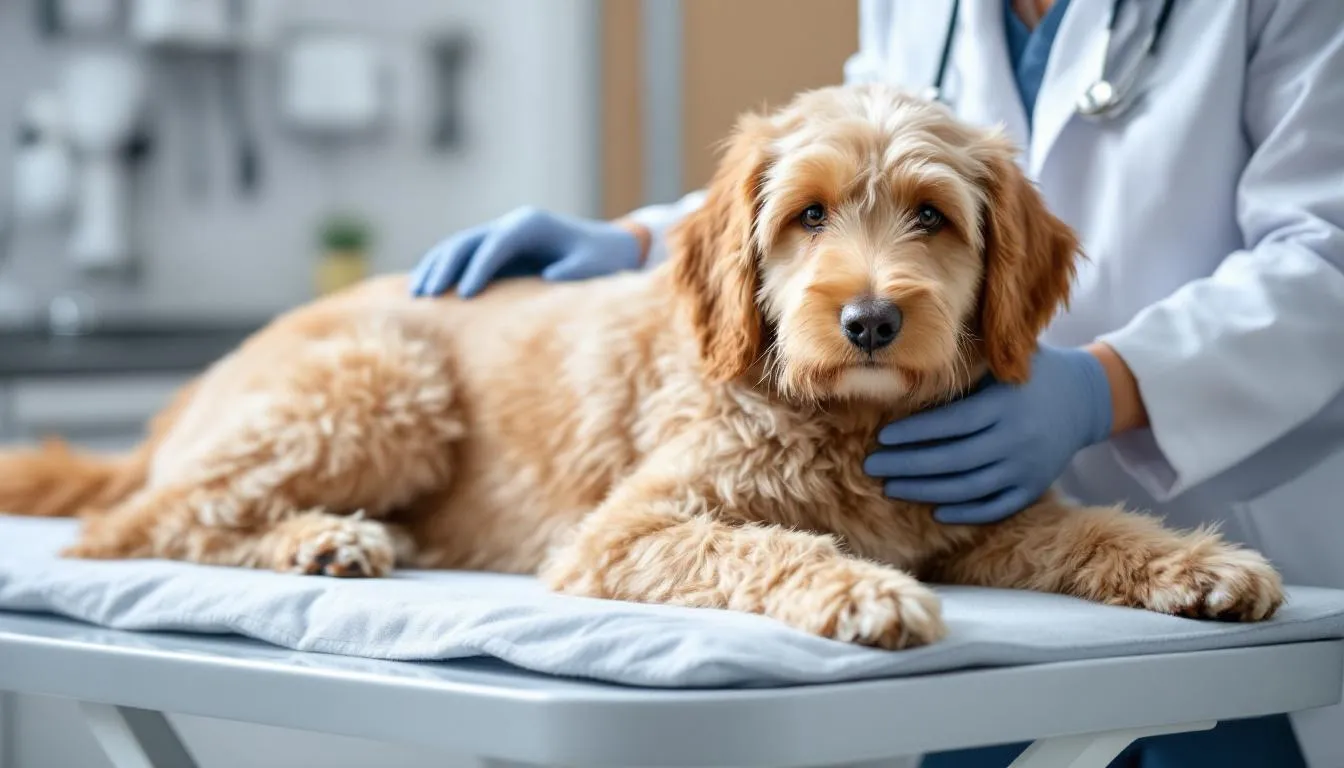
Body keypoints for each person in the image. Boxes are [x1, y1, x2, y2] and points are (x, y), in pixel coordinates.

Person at [409, 1, 1344, 765]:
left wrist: (1108, 387)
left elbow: (1328, 247)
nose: (871, 292)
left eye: (931, 222)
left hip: (1231, 477)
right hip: (972, 637)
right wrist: (643, 240)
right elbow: (838, 155)